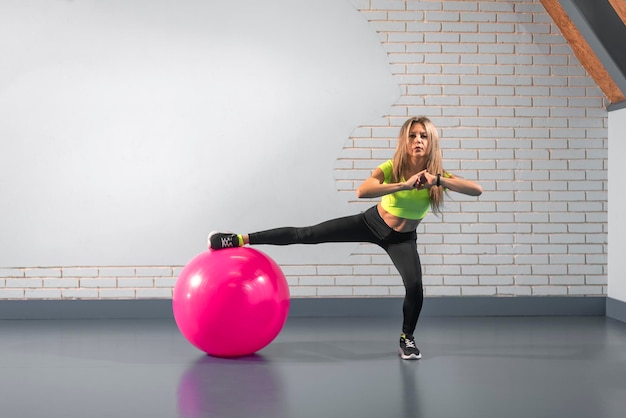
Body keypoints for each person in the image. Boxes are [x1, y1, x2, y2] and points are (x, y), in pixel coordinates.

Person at [208, 116, 483, 360]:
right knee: (308, 234)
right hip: (371, 222)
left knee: (415, 286)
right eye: (412, 135)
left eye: (423, 135)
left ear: (431, 140)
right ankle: (237, 239)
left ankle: (406, 339)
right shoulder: (392, 166)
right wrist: (403, 185)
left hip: (402, 239)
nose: (418, 140)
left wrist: (438, 181)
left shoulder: (437, 176)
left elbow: (476, 190)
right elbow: (363, 191)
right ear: (405, 139)